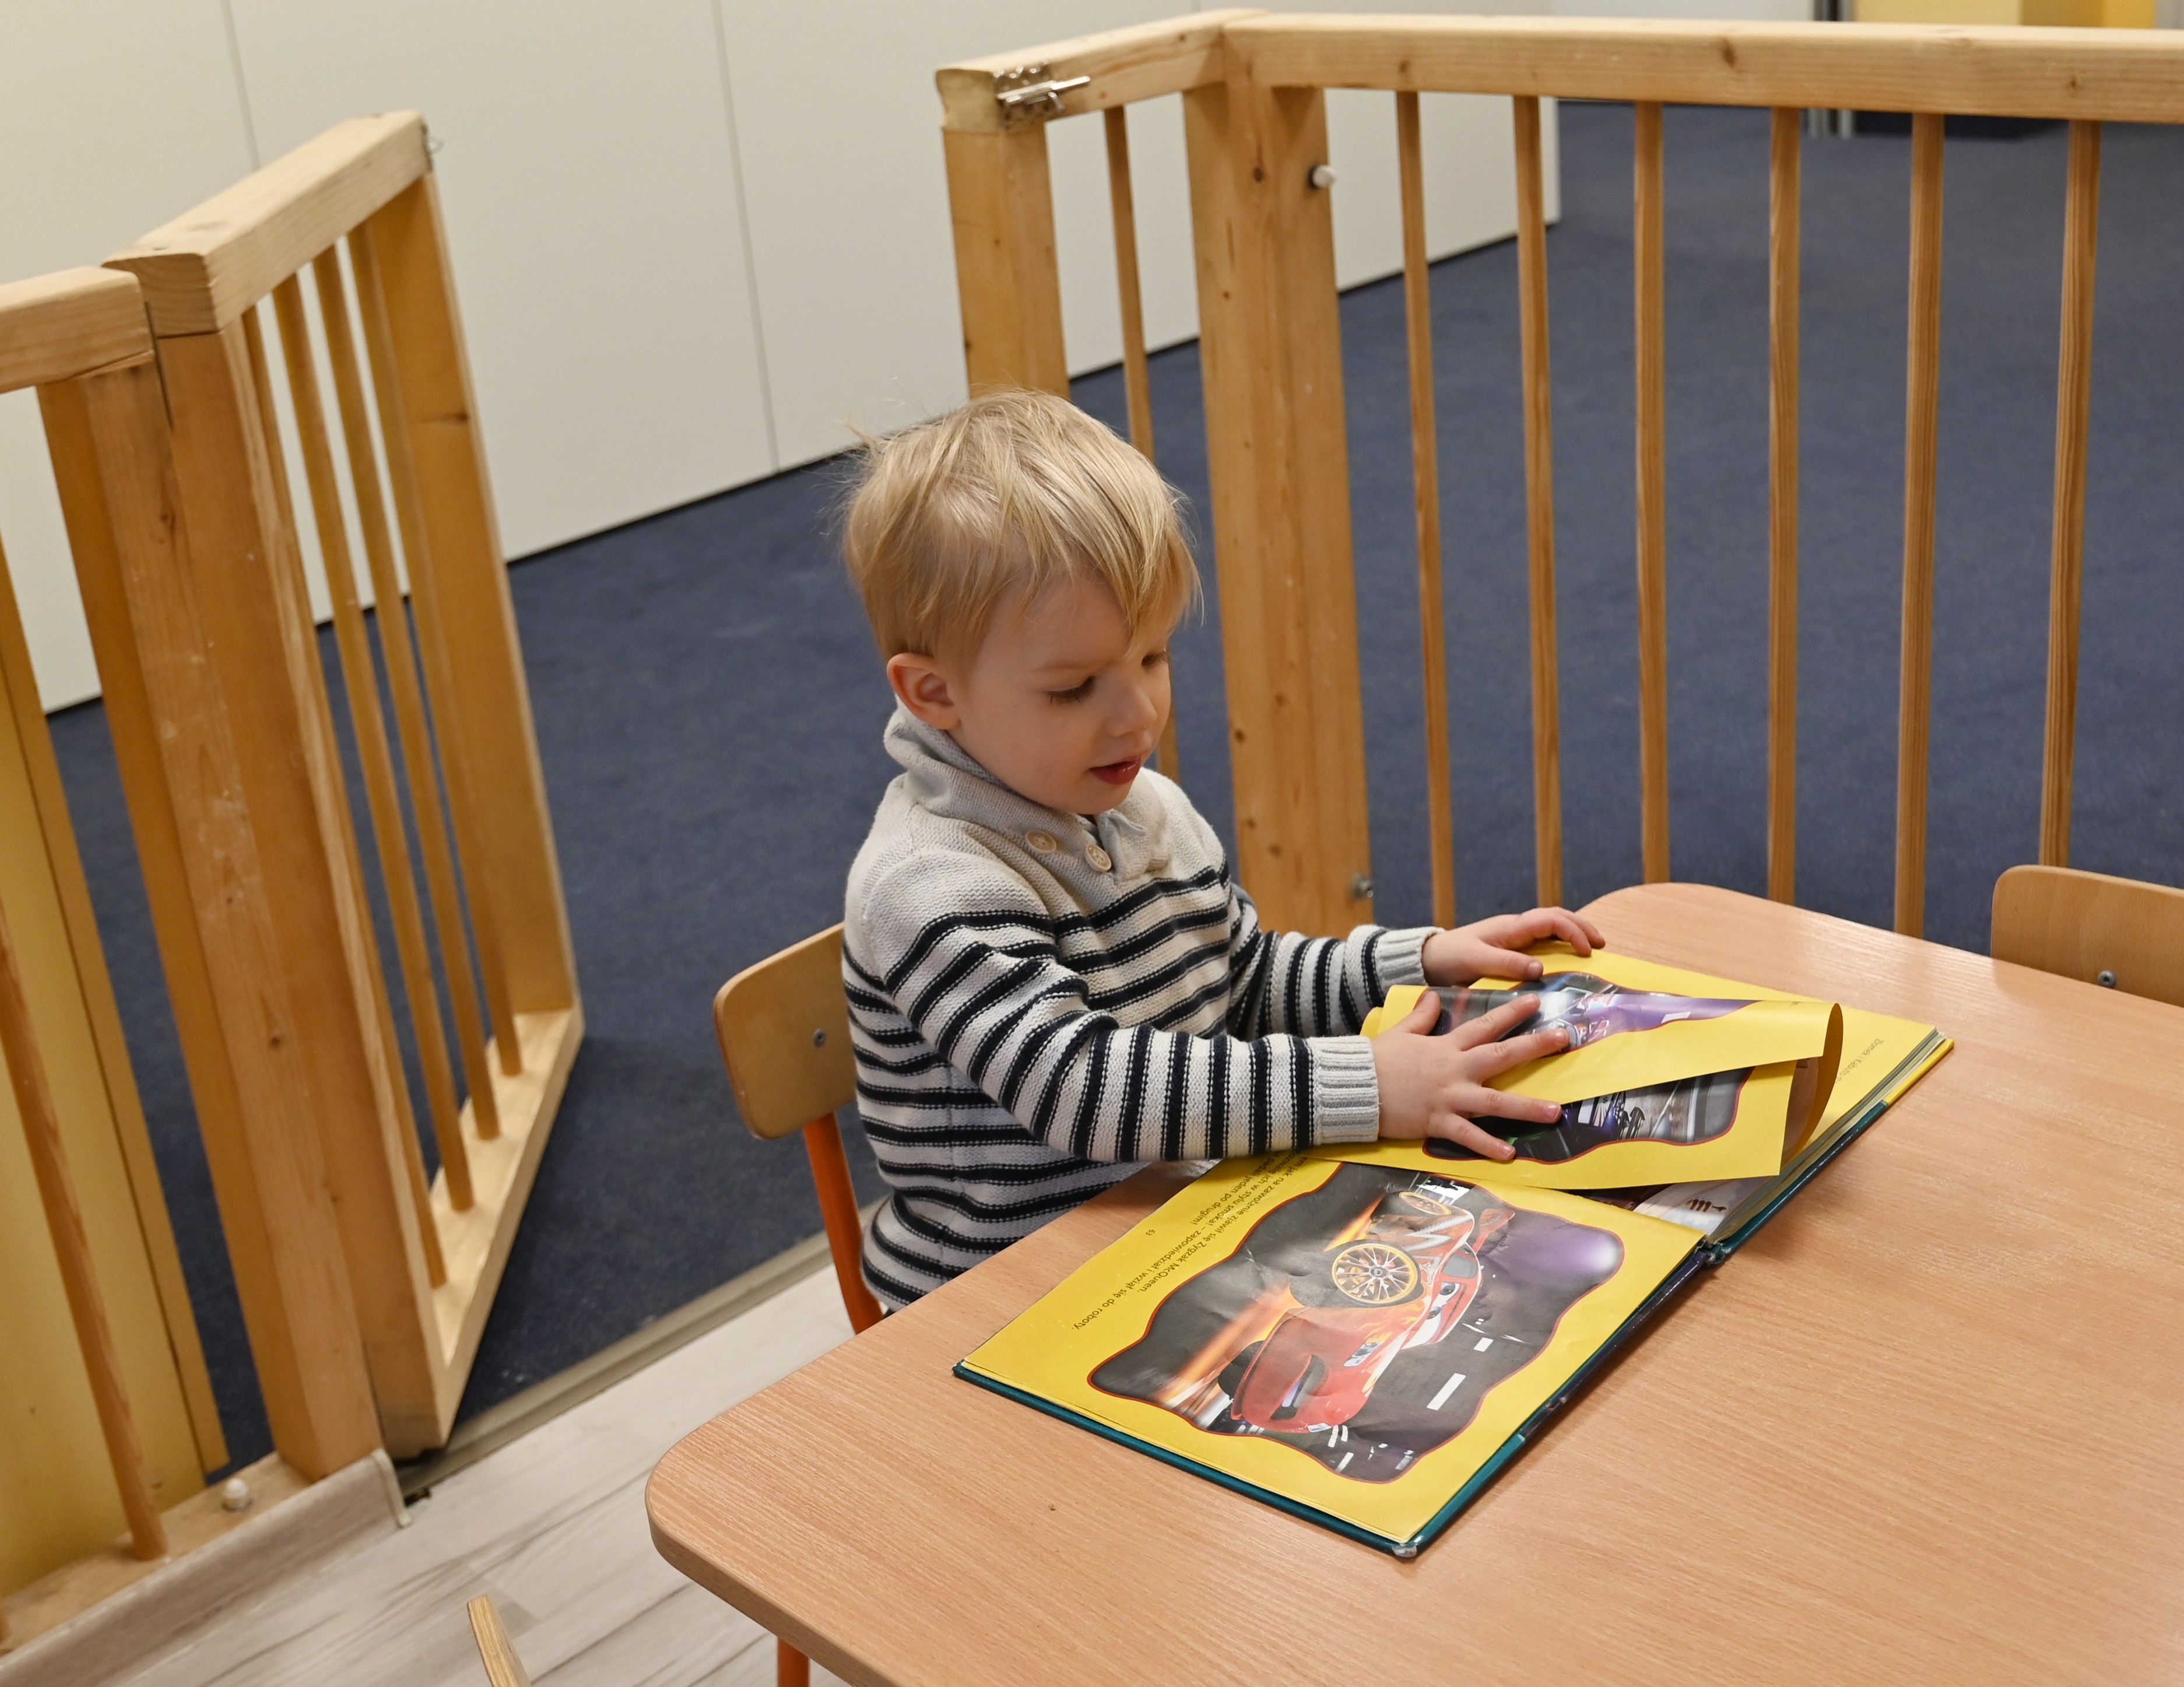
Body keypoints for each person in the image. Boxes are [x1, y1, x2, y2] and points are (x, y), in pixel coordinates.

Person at [837, 389, 1604, 1309]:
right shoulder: (927, 884)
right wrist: (1368, 1083)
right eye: (1073, 687)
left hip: (1177, 1236)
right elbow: (1083, 1088)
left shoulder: (1145, 807)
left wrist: (1418, 963)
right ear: (933, 693)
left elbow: (1240, 982)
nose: (1138, 713)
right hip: (996, 1299)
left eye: (1152, 658)